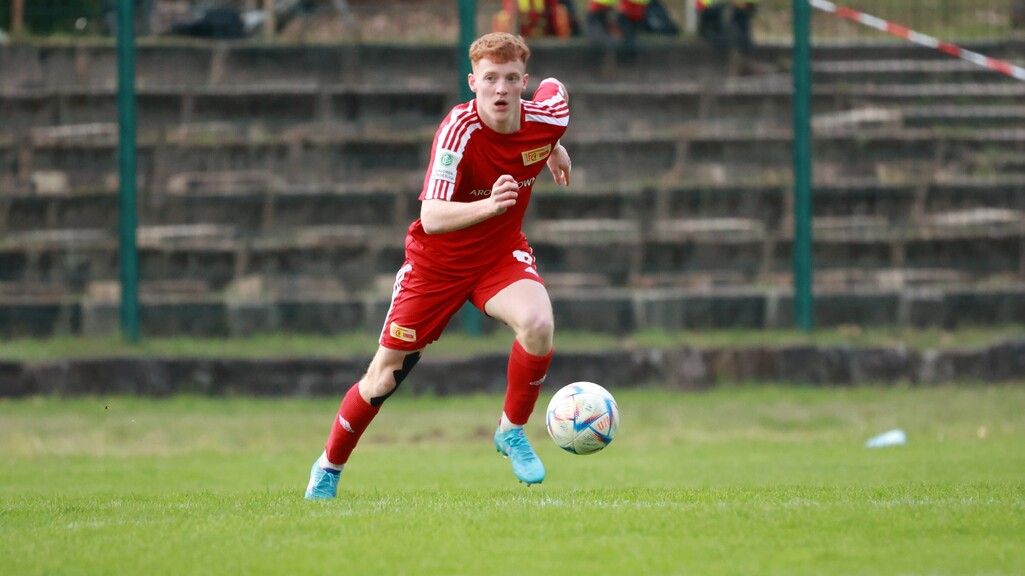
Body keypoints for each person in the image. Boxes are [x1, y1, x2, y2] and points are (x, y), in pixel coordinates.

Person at [305, 32, 572, 499]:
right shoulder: (458, 130)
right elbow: (432, 216)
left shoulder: (548, 116)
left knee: (537, 321)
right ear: (473, 82)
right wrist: (490, 206)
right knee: (383, 377)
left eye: (511, 79)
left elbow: (557, 89)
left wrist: (553, 147)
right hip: (437, 265)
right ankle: (328, 466)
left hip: (497, 256)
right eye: (490, 79)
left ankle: (511, 430)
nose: (501, 89)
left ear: (523, 82)